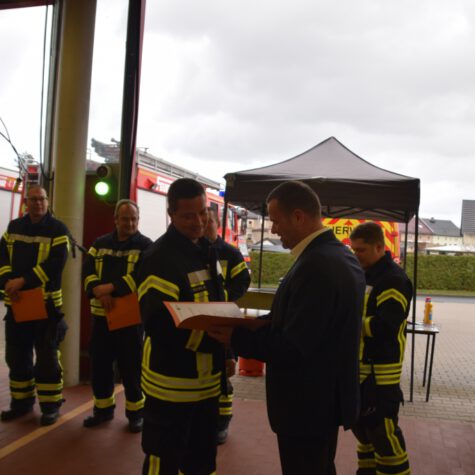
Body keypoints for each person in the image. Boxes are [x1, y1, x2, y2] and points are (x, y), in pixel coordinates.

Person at [208, 180, 366, 475]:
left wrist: (236, 336)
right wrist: (257, 322)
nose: (274, 230)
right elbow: (307, 321)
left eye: (277, 221)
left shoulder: (316, 266)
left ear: (298, 216)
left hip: (306, 406)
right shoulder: (337, 256)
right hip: (322, 402)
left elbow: (294, 347)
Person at [137, 178, 228, 475]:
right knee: (164, 460)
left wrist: (227, 351)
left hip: (206, 381)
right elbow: (161, 326)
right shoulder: (159, 258)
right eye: (189, 215)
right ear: (171, 214)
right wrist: (217, 343)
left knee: (202, 460)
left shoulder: (206, 248)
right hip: (171, 384)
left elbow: (217, 302)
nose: (199, 221)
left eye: (203, 213)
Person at [0, 185, 70, 426]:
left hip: (46, 307)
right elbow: (2, 257)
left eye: (42, 199)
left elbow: (55, 264)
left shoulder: (58, 229)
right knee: (16, 356)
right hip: (18, 304)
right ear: (25, 203)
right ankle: (21, 402)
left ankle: (50, 406)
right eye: (33, 200)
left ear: (47, 202)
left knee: (47, 358)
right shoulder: (14, 228)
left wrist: (23, 281)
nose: (38, 203)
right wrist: (7, 281)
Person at [82, 199, 152, 433]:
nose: (130, 223)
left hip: (129, 320)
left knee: (131, 369)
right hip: (101, 319)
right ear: (116, 220)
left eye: (134, 219)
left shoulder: (145, 246)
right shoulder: (99, 244)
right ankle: (102, 410)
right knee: (100, 367)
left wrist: (109, 288)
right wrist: (97, 290)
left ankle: (135, 415)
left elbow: (140, 277)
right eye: (125, 218)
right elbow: (87, 270)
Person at [349, 222, 412, 475]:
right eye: (353, 249)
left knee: (383, 435)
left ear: (379, 247)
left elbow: (386, 326)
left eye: (361, 250)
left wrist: (351, 325)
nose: (356, 255)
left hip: (381, 375)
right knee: (364, 434)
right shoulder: (366, 274)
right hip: (362, 371)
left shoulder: (394, 279)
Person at [205, 206, 251, 444]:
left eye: (209, 222)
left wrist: (225, 297)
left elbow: (244, 279)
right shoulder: (195, 251)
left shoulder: (230, 254)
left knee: (225, 370)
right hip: (203, 319)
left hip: (224, 317)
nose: (205, 226)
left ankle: (223, 421)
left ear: (216, 224)